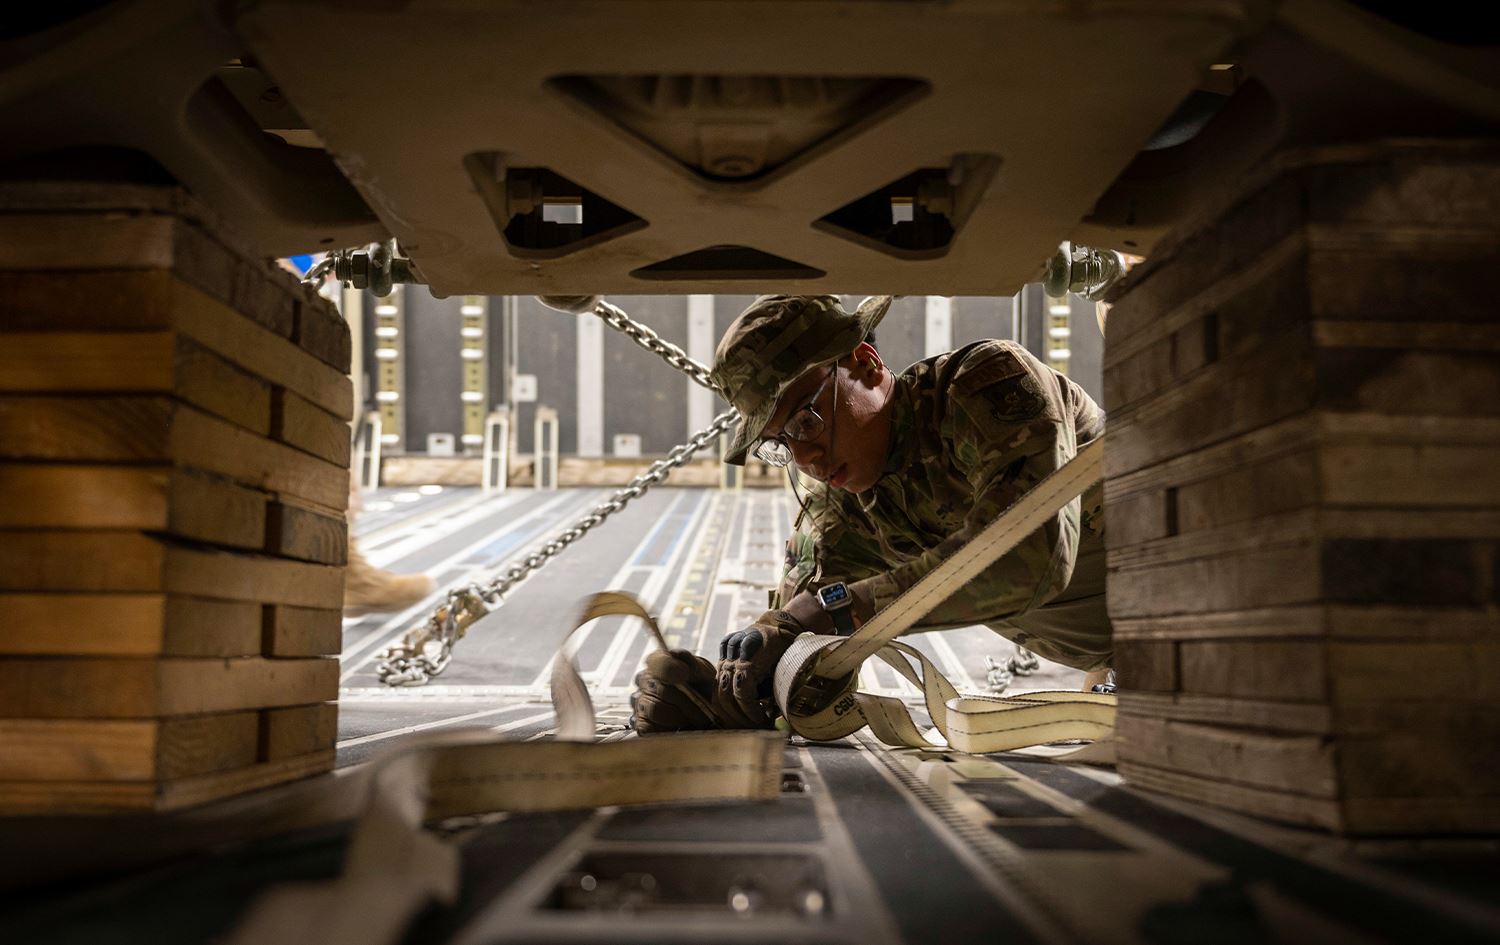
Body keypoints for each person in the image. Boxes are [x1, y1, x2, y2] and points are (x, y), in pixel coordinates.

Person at [631, 294, 1112, 732]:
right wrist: (715, 692)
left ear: (865, 363)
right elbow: (805, 657)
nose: (805, 458)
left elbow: (1033, 556)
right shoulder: (843, 506)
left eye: (805, 421)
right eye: (781, 444)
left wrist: (844, 608)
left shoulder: (981, 387)